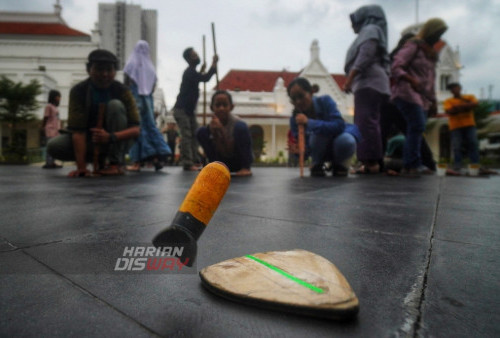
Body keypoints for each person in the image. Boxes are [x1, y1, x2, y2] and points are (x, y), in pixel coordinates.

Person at [47, 49, 140, 177]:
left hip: (117, 140)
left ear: (115, 72)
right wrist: (81, 167)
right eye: (99, 70)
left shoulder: (122, 91)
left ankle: (114, 164)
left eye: (109, 70)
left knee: (115, 105)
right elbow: (78, 132)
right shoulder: (78, 91)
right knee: (54, 146)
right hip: (89, 141)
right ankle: (98, 160)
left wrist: (110, 137)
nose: (104, 74)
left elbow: (136, 130)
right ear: (88, 70)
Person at [391, 18, 448, 175]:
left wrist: (434, 100)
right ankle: (412, 164)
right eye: (438, 34)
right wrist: (410, 79)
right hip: (407, 92)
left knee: (416, 128)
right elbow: (396, 66)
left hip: (423, 97)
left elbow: (430, 79)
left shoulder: (430, 53)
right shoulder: (413, 45)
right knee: (416, 125)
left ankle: (412, 163)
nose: (439, 38)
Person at [343, 5, 391, 174]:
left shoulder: (370, 30)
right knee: (372, 123)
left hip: (368, 83)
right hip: (376, 84)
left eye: (354, 20)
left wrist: (350, 79)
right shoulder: (375, 30)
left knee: (365, 124)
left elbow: (365, 54)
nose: (352, 26)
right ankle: (373, 161)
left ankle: (371, 163)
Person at [379, 33, 436, 174]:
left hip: (389, 99)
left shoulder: (392, 56)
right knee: (414, 130)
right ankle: (426, 163)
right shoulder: (408, 55)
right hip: (400, 98)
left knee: (384, 132)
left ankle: (377, 164)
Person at [288, 77, 360, 177]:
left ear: (311, 93)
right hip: (319, 150)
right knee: (317, 136)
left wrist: (309, 122)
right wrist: (298, 151)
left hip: (338, 143)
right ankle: (317, 163)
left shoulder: (325, 101)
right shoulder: (294, 119)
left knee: (346, 140)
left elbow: (339, 125)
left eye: (301, 96)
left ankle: (339, 164)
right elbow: (305, 152)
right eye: (294, 99)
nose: (298, 101)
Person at [123, 40, 171, 172]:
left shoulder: (131, 64)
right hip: (148, 99)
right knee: (151, 127)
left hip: (134, 98)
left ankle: (136, 162)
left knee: (136, 126)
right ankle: (158, 155)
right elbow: (154, 86)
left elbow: (126, 83)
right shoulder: (150, 67)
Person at [173, 47, 218, 171]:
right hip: (182, 110)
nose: (197, 57)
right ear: (188, 59)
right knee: (187, 135)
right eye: (194, 56)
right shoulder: (189, 72)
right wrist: (214, 64)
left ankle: (194, 160)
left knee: (195, 134)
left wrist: (205, 69)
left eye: (197, 54)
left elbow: (201, 76)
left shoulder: (193, 72)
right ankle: (188, 163)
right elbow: (206, 78)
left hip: (189, 111)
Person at [197, 90, 253, 176]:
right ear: (212, 107)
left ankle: (245, 167)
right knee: (201, 131)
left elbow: (229, 151)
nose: (221, 108)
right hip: (221, 163)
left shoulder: (237, 124)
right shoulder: (211, 125)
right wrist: (214, 134)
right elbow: (217, 150)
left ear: (231, 107)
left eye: (225, 105)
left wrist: (221, 130)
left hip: (237, 162)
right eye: (218, 105)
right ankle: (213, 166)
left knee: (242, 127)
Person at [443, 82, 480, 174]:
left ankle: (475, 164)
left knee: (473, 143)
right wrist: (466, 106)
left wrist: (457, 107)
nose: (454, 90)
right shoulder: (448, 101)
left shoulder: (470, 96)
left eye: (455, 88)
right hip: (455, 126)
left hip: (469, 124)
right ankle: (457, 165)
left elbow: (475, 104)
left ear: (460, 88)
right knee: (457, 146)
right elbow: (449, 111)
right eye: (451, 89)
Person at [42, 90, 62, 169]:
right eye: (58, 97)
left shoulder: (55, 107)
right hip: (50, 129)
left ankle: (53, 162)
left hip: (56, 129)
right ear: (54, 97)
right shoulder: (49, 106)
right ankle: (49, 162)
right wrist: (43, 126)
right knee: (49, 146)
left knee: (54, 146)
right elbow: (45, 117)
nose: (59, 98)